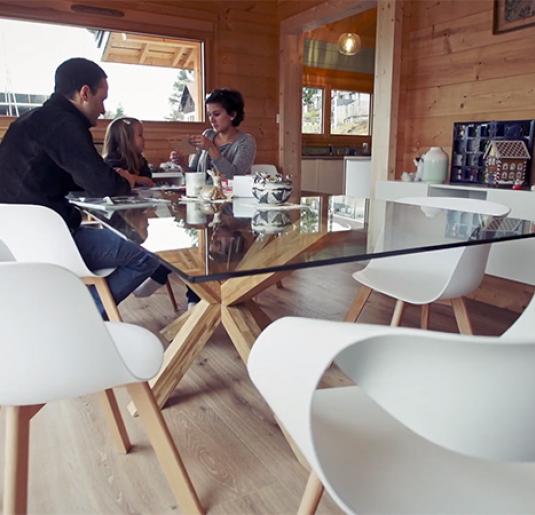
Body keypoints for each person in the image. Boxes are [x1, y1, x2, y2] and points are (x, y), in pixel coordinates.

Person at [0, 57, 161, 315]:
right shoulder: (65, 124)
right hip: (49, 239)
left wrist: (108, 175)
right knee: (146, 257)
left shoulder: (30, 120)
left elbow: (75, 176)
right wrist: (126, 179)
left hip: (14, 239)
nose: (103, 109)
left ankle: (73, 308)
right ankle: (87, 316)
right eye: (102, 99)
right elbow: (106, 186)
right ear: (84, 93)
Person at [102, 116, 172, 298]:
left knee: (168, 245)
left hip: (142, 214)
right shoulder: (110, 163)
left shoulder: (140, 162)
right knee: (157, 247)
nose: (144, 139)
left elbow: (148, 182)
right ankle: (154, 277)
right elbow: (115, 187)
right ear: (126, 141)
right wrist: (134, 180)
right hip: (120, 222)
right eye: (140, 135)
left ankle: (157, 277)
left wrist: (134, 178)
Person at [185, 88, 256, 179]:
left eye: (216, 114)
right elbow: (194, 173)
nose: (211, 119)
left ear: (233, 115)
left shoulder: (245, 141)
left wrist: (211, 148)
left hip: (230, 193)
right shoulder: (207, 135)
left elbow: (234, 178)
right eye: (209, 115)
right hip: (202, 192)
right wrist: (182, 164)